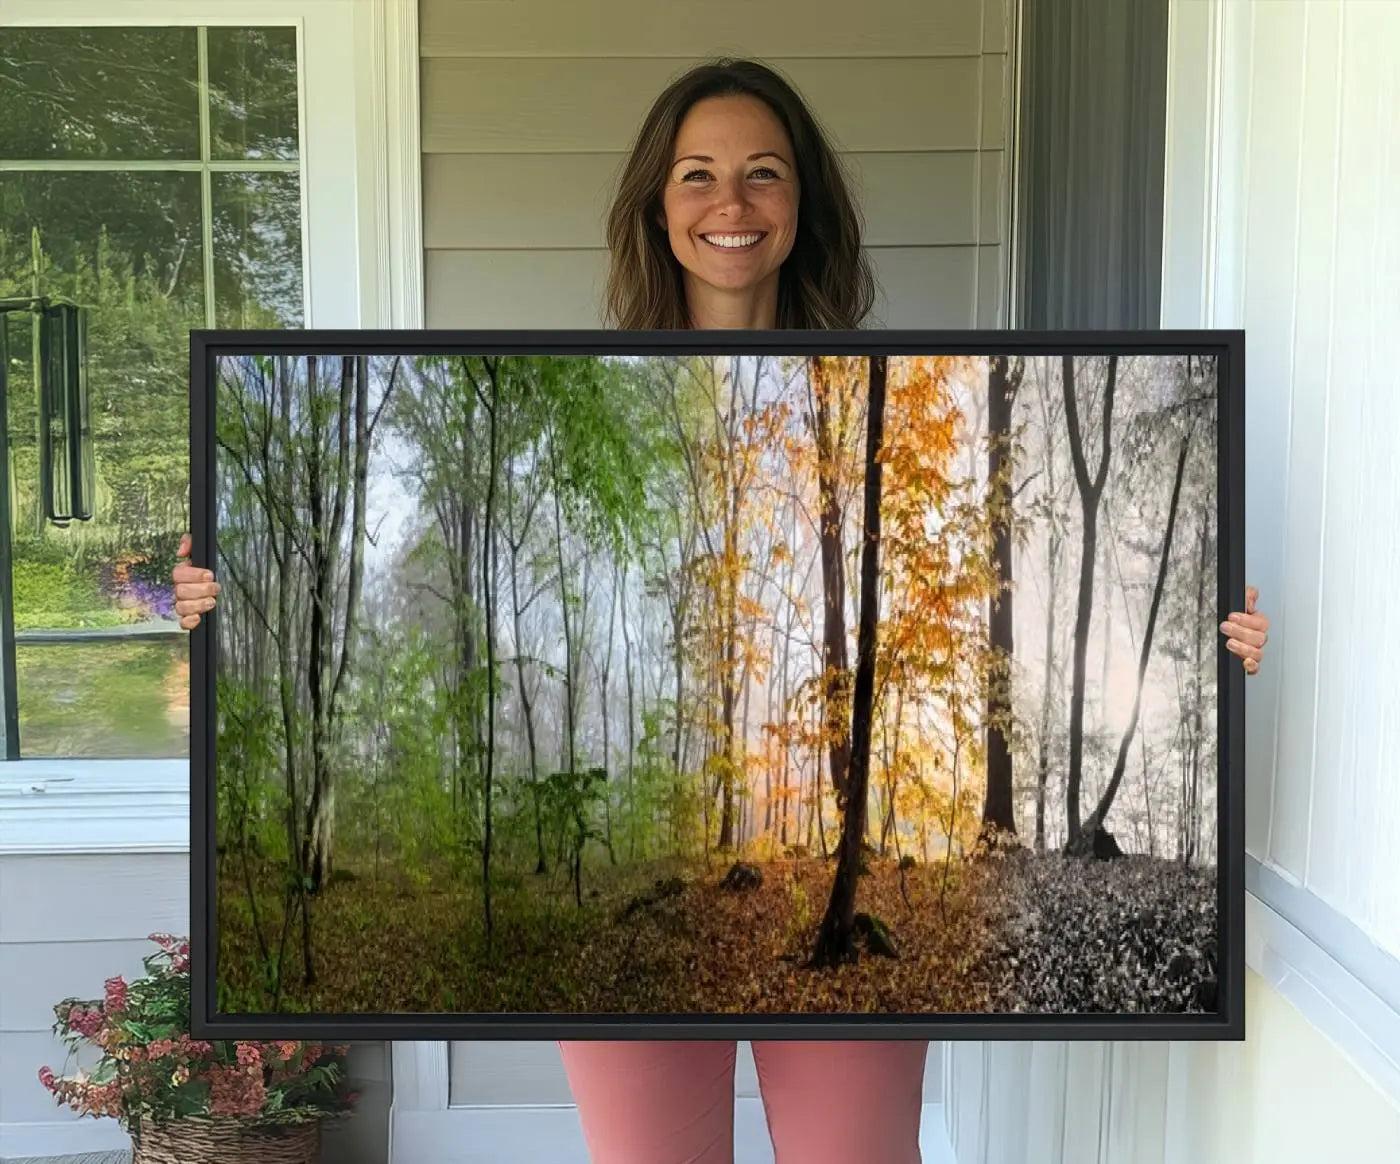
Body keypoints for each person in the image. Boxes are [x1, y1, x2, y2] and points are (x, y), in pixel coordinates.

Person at [173, 57, 1270, 1164]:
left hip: (842, 902)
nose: (729, 204)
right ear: (658, 206)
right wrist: (226, 601)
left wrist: (1202, 648)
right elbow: (441, 595)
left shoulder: (894, 386)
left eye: (762, 174)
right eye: (696, 175)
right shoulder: (585, 407)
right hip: (640, 891)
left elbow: (1006, 600)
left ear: (801, 208)